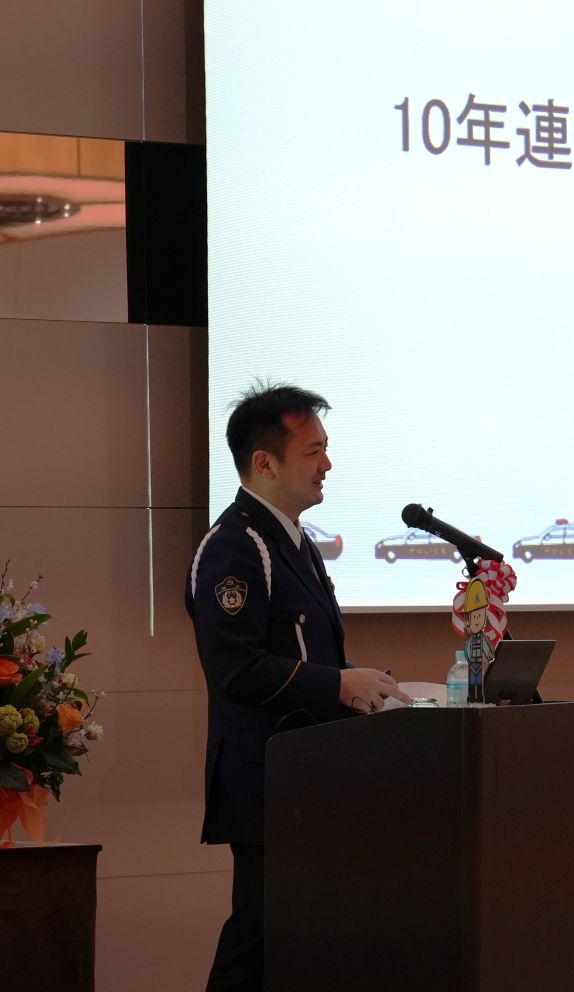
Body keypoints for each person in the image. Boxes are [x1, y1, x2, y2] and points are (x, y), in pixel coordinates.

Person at [186, 383, 409, 992]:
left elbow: (306, 655)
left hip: (308, 775)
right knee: (260, 938)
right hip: (266, 777)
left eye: (325, 449)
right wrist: (337, 683)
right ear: (264, 462)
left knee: (300, 941)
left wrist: (365, 684)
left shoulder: (296, 541)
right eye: (313, 451)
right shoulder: (235, 547)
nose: (327, 464)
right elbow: (235, 669)